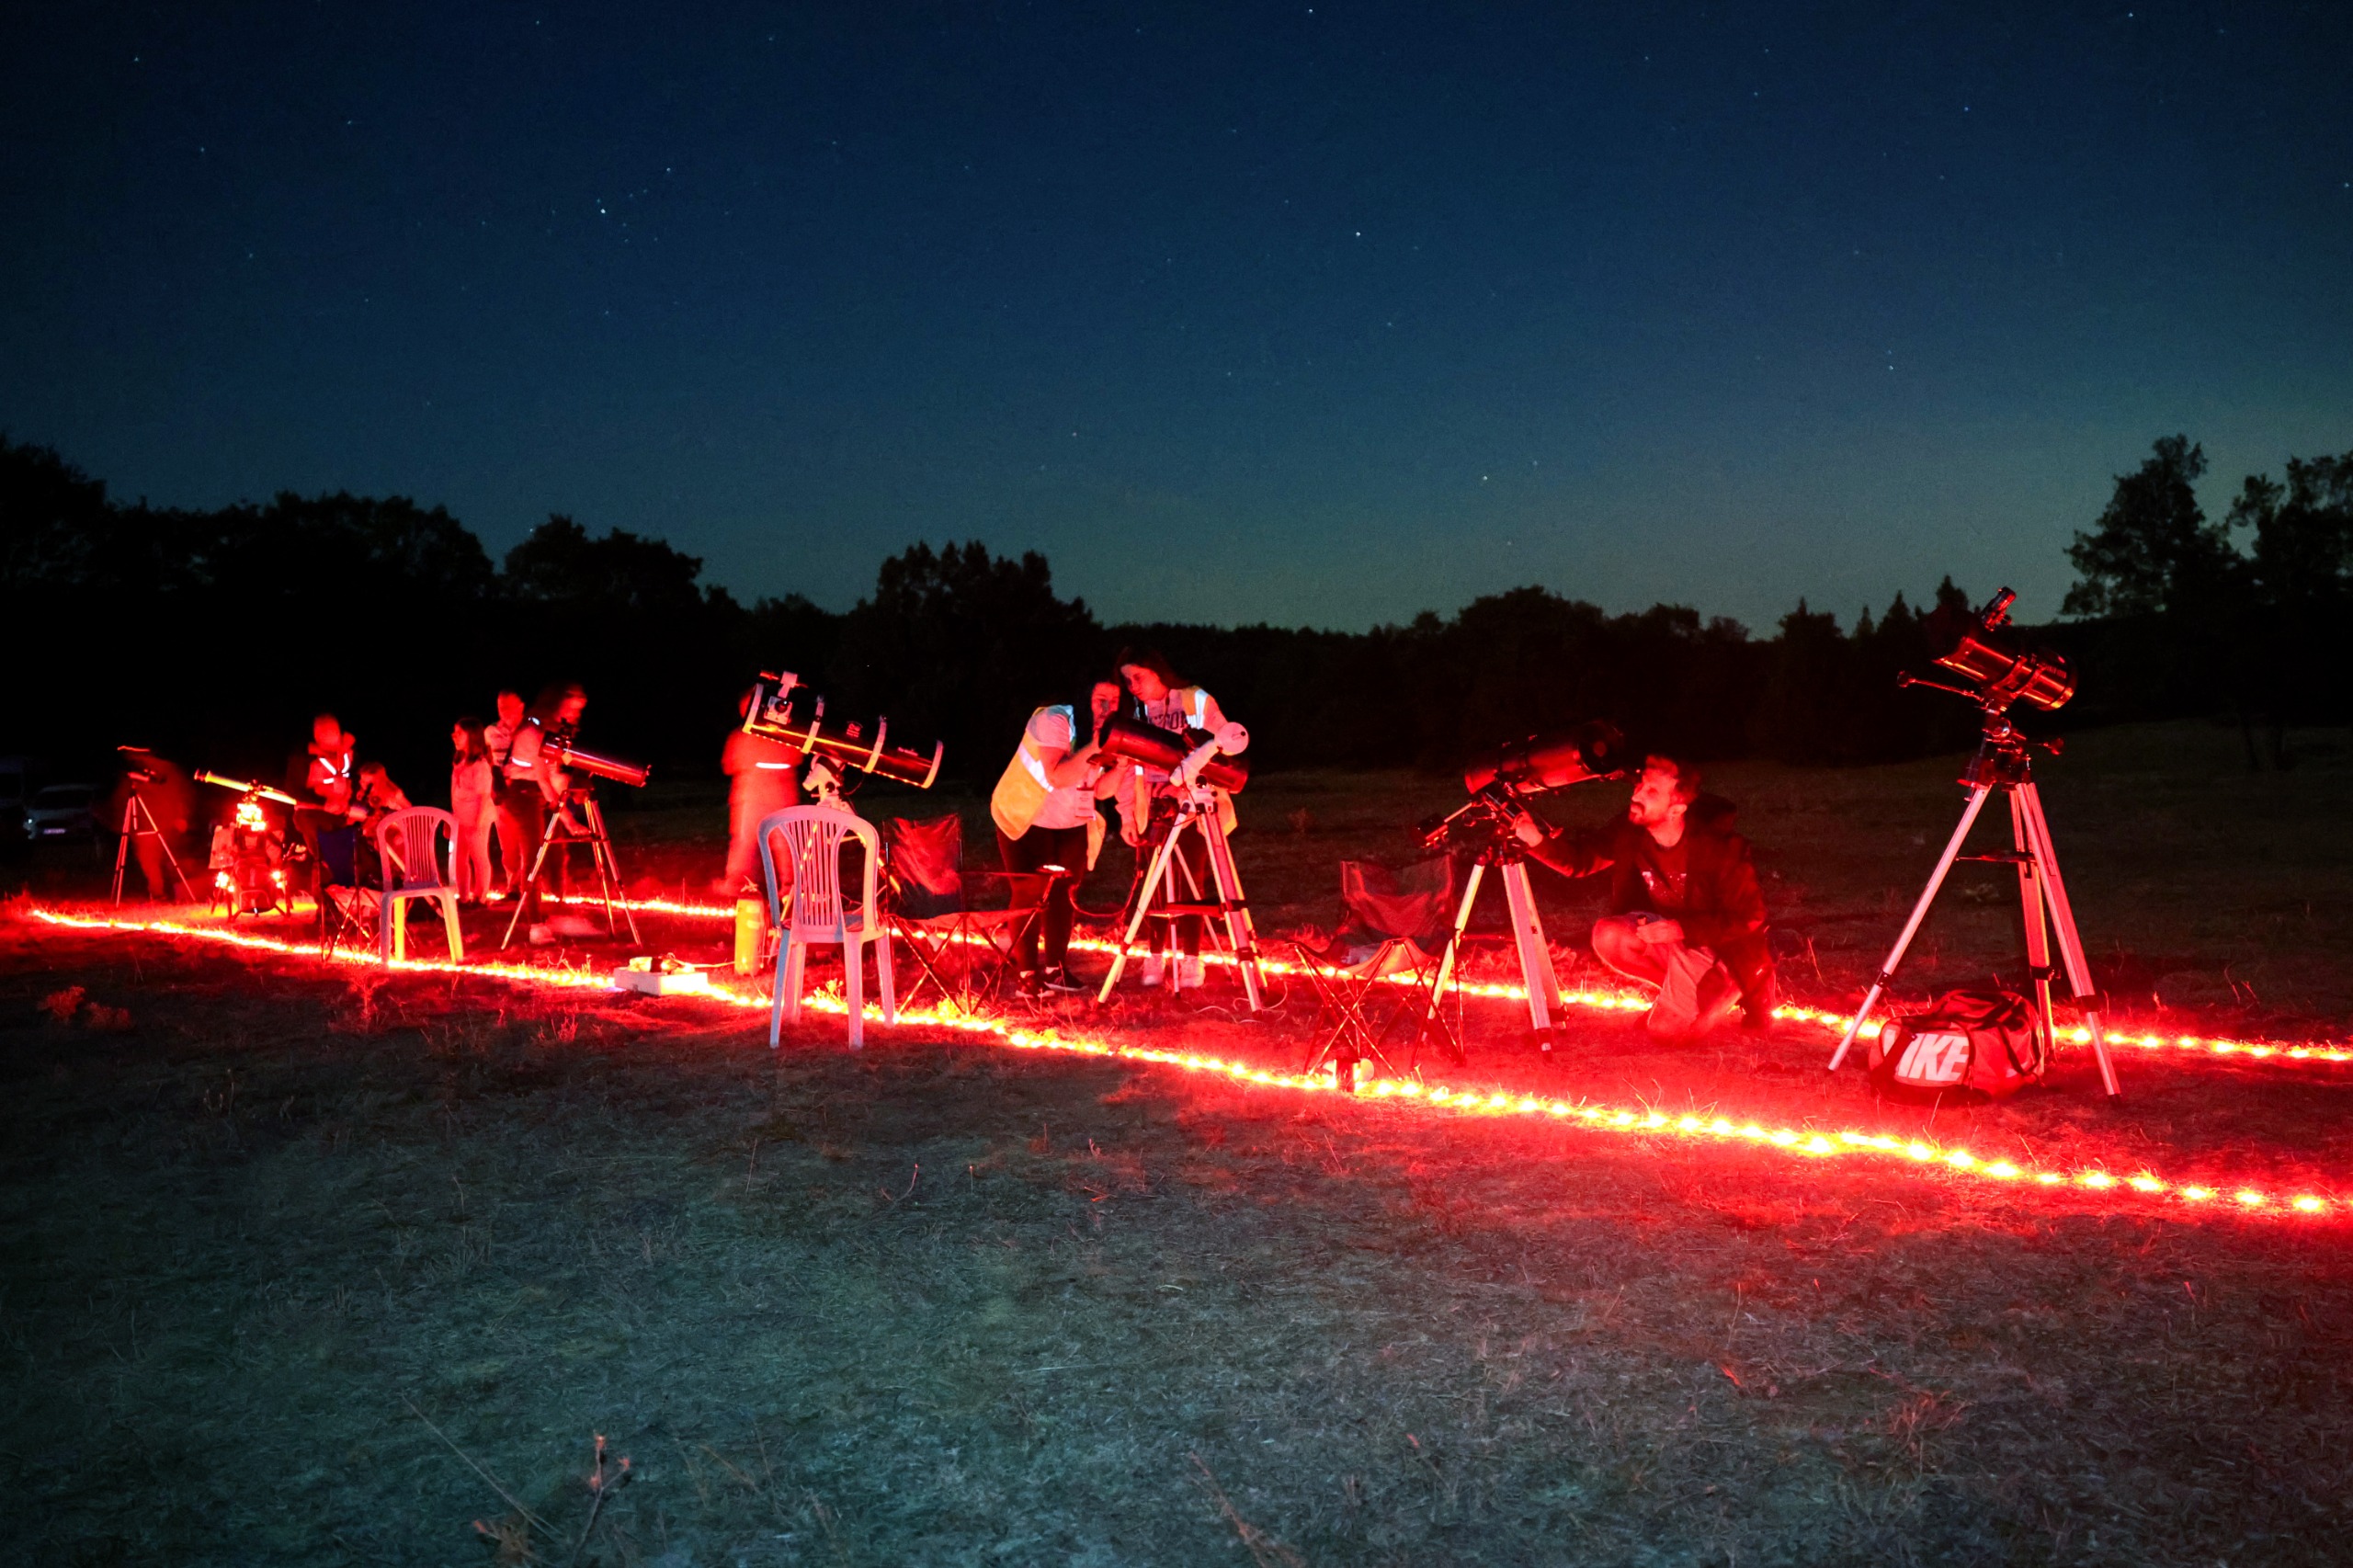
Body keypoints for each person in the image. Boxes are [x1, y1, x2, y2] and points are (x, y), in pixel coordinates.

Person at [1511, 753, 1776, 1042]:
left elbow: (1750, 917)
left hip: (1719, 947)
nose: (1637, 795)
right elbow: (1581, 860)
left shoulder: (1721, 848)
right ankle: (1681, 998)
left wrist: (1679, 929)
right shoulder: (1631, 831)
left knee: (1666, 1032)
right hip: (1674, 938)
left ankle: (1743, 982)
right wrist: (1535, 839)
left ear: (1676, 809)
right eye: (1639, 786)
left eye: (1651, 791)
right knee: (1609, 935)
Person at [1111, 646, 1249, 991]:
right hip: (1153, 806)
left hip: (1194, 805)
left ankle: (1190, 959)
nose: (1133, 685)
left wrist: (1183, 785)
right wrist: (1128, 815)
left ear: (1157, 670)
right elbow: (1129, 768)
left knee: (1193, 885)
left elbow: (1221, 743)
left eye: (1138, 677)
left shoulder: (1194, 700)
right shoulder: (1138, 713)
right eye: (1127, 680)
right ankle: (1155, 955)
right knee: (1155, 887)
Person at [991, 676, 1123, 994]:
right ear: (1083, 696)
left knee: (1065, 892)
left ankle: (1056, 969)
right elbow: (1058, 775)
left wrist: (1122, 766)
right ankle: (1027, 976)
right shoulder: (1053, 719)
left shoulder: (1108, 733)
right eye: (1099, 699)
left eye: (1115, 702)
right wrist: (1096, 745)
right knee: (1029, 892)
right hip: (1026, 816)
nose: (1106, 708)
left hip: (1070, 821)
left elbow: (1100, 790)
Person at [503, 682, 588, 937]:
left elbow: (555, 777)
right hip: (521, 793)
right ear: (555, 705)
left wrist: (574, 794)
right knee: (534, 856)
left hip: (538, 791)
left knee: (556, 852)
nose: (574, 715)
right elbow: (544, 780)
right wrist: (568, 817)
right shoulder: (532, 731)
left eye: (579, 710)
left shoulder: (554, 732)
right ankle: (535, 925)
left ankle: (555, 906)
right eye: (571, 709)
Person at [712, 688, 804, 897]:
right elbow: (796, 758)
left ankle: (784, 886)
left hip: (759, 793)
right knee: (769, 840)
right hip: (768, 792)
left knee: (757, 840)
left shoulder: (743, 737)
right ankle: (784, 885)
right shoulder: (780, 736)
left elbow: (729, 765)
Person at [108, 747, 195, 901]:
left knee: (152, 861)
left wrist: (180, 816)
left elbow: (177, 794)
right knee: (158, 861)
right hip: (159, 822)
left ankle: (162, 893)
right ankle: (170, 892)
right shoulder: (166, 768)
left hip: (154, 823)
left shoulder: (160, 771)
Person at [483, 688, 528, 896]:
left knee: (527, 841)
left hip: (525, 792)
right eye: (500, 707)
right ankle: (513, 886)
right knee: (507, 843)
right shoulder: (491, 732)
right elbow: (486, 762)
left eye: (508, 707)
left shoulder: (530, 730)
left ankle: (529, 885)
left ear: (521, 707)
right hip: (502, 795)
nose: (503, 711)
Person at [449, 718, 496, 904]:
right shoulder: (459, 761)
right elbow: (455, 791)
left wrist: (478, 821)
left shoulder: (480, 765)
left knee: (479, 856)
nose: (455, 736)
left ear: (472, 736)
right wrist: (452, 816)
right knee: (459, 858)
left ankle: (480, 896)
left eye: (459, 733)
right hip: (460, 816)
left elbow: (484, 796)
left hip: (477, 816)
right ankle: (463, 895)